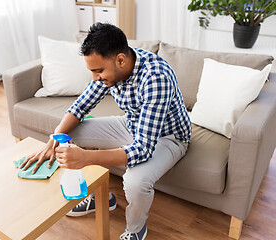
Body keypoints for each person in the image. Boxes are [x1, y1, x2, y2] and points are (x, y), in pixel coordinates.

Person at [20, 22, 192, 240]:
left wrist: (85, 158)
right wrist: (53, 141)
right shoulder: (111, 69)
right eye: (92, 71)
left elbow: (143, 149)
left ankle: (136, 229)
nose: (95, 78)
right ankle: (98, 197)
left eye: (98, 71)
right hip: (132, 124)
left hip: (167, 138)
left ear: (120, 60)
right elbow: (80, 107)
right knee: (70, 133)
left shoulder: (155, 78)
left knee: (134, 182)